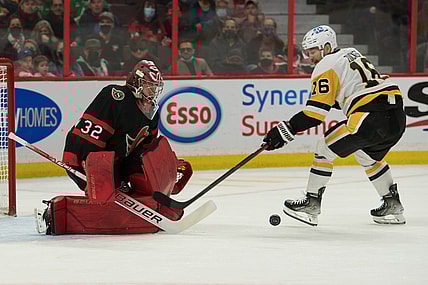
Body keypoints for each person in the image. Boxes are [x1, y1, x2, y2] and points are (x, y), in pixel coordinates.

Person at [262, 25, 406, 226]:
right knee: (366, 154)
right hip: (397, 116)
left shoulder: (326, 65)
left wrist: (284, 130)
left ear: (326, 47)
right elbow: (347, 95)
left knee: (324, 148)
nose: (309, 57)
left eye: (312, 51)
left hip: (370, 116)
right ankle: (392, 204)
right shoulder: (351, 54)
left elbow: (315, 114)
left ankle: (311, 202)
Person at [63, 59, 163, 191]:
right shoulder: (115, 97)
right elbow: (89, 137)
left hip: (113, 164)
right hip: (84, 160)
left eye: (156, 86)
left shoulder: (152, 113)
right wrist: (90, 169)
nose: (153, 91)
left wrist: (159, 169)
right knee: (109, 196)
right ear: (136, 82)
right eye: (149, 85)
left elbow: (145, 149)